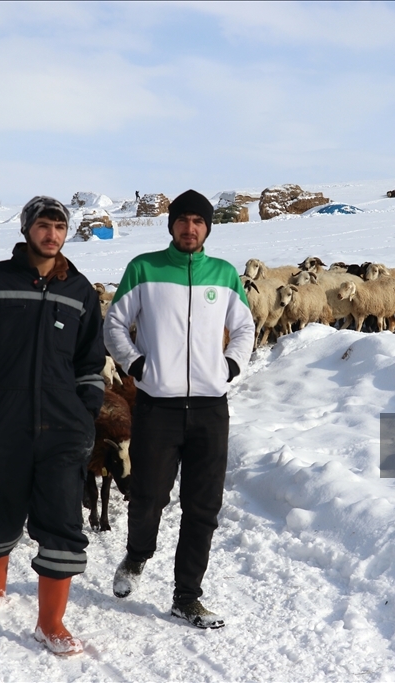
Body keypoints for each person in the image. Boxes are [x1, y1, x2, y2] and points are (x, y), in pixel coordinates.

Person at [0, 196, 105, 656]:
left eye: (59, 226)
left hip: (62, 427)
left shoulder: (79, 290)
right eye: (44, 225)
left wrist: (85, 410)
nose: (52, 234)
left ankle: (50, 621)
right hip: (0, 422)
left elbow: (92, 359)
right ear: (27, 229)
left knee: (61, 520)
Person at [103, 189, 254, 629]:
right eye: (183, 220)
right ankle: (137, 556)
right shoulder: (144, 268)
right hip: (158, 404)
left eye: (198, 222)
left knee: (203, 504)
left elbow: (244, 326)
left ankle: (187, 596)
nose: (190, 228)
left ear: (208, 228)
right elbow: (115, 322)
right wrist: (135, 364)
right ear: (171, 225)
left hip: (210, 406)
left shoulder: (224, 275)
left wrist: (230, 365)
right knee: (149, 494)